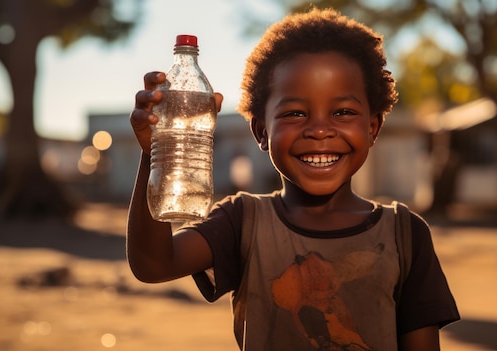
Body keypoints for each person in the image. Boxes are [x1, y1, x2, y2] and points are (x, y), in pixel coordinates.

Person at [127, 8, 459, 350]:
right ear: (261, 131)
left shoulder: (404, 235)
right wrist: (155, 153)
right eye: (295, 113)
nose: (319, 130)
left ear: (372, 127)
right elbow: (153, 264)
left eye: (343, 112)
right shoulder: (243, 222)